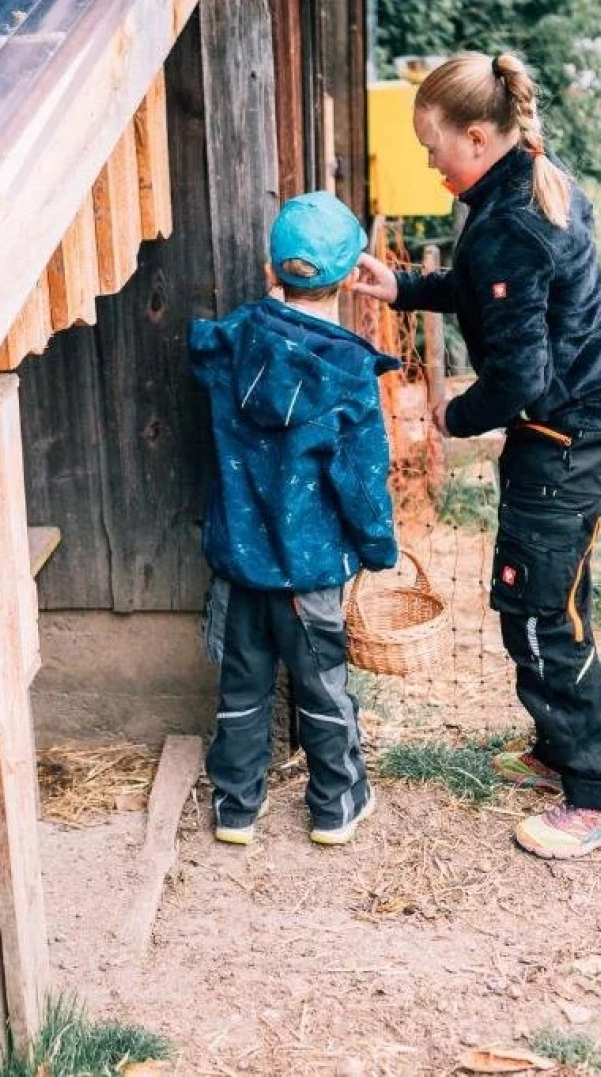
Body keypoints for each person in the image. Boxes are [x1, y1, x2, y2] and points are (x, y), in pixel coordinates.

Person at [354, 52, 601, 860]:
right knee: (548, 591)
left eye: (432, 146)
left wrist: (455, 415)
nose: (428, 160)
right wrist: (406, 288)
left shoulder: (514, 216)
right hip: (576, 418)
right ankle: (561, 750)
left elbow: (519, 374)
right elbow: (494, 289)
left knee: (538, 608)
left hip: (567, 431)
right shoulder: (524, 182)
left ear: (476, 135)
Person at [191, 191, 399, 847]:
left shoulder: (226, 349)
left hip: (241, 563)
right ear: (349, 279)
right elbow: (362, 480)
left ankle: (235, 809)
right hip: (310, 572)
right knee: (323, 689)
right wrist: (378, 548)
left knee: (242, 688)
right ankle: (336, 806)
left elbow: (226, 348)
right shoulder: (349, 373)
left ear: (268, 269)